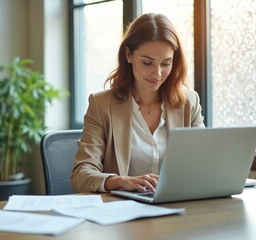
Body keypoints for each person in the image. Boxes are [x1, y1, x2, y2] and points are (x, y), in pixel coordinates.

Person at [71, 13, 205, 193]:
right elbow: (81, 175)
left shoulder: (189, 103)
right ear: (128, 55)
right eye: (147, 62)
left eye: (166, 63)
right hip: (122, 212)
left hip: (176, 207)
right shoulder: (101, 105)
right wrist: (121, 181)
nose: (157, 73)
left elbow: (205, 163)